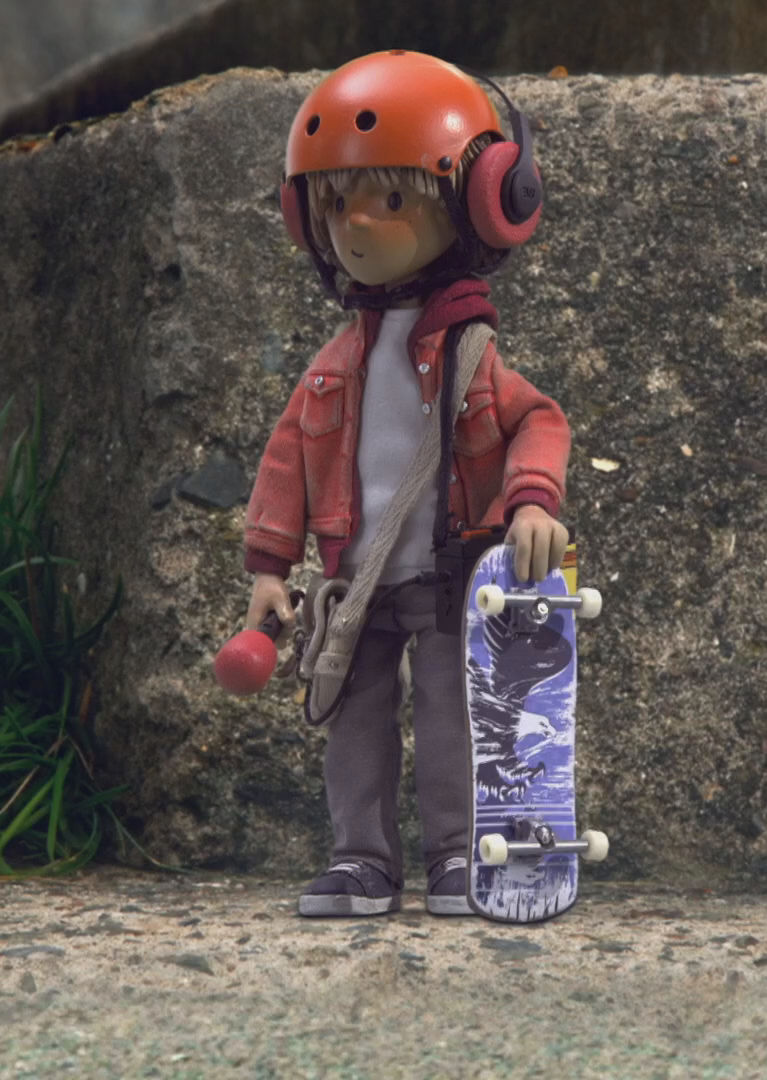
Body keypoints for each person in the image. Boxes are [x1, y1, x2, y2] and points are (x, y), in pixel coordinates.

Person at [240, 50, 571, 916]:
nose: (356, 224)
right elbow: (287, 462)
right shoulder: (332, 366)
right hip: (354, 586)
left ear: (483, 202)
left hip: (450, 576)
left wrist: (532, 500)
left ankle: (459, 855)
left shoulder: (470, 354)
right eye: (334, 203)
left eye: (392, 199)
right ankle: (361, 860)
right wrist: (269, 569)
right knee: (353, 722)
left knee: (454, 715)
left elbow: (538, 420)